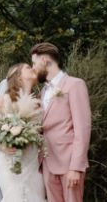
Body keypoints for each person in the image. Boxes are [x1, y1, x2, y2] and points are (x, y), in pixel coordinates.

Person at [31, 43, 91, 202]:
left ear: (44, 60)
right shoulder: (43, 91)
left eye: (34, 63)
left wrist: (76, 167)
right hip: (47, 161)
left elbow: (82, 128)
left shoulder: (75, 84)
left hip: (69, 162)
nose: (33, 68)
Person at [0, 63, 47, 202]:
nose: (32, 68)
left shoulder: (39, 101)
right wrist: (3, 146)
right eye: (27, 67)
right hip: (11, 161)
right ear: (18, 77)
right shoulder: (5, 99)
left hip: (32, 162)